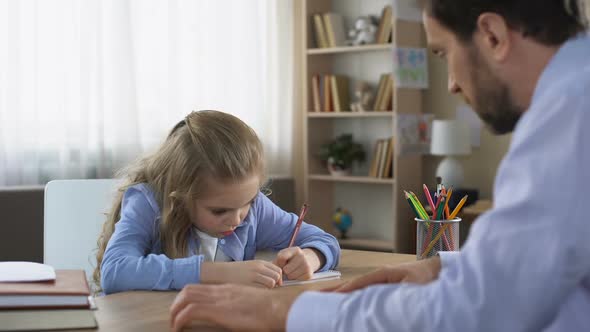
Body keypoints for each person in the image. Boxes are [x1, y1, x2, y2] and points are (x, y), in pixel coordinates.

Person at [169, 0, 590, 331]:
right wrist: (441, 266)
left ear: (493, 35)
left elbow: (472, 311)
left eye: (442, 53)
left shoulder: (570, 114)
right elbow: (538, 270)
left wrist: (285, 311)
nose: (451, 84)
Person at [93, 110, 340, 294]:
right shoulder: (149, 204)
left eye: (248, 201)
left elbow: (324, 240)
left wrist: (311, 257)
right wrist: (219, 274)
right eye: (219, 210)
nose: (236, 218)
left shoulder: (254, 209)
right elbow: (115, 272)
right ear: (181, 197)